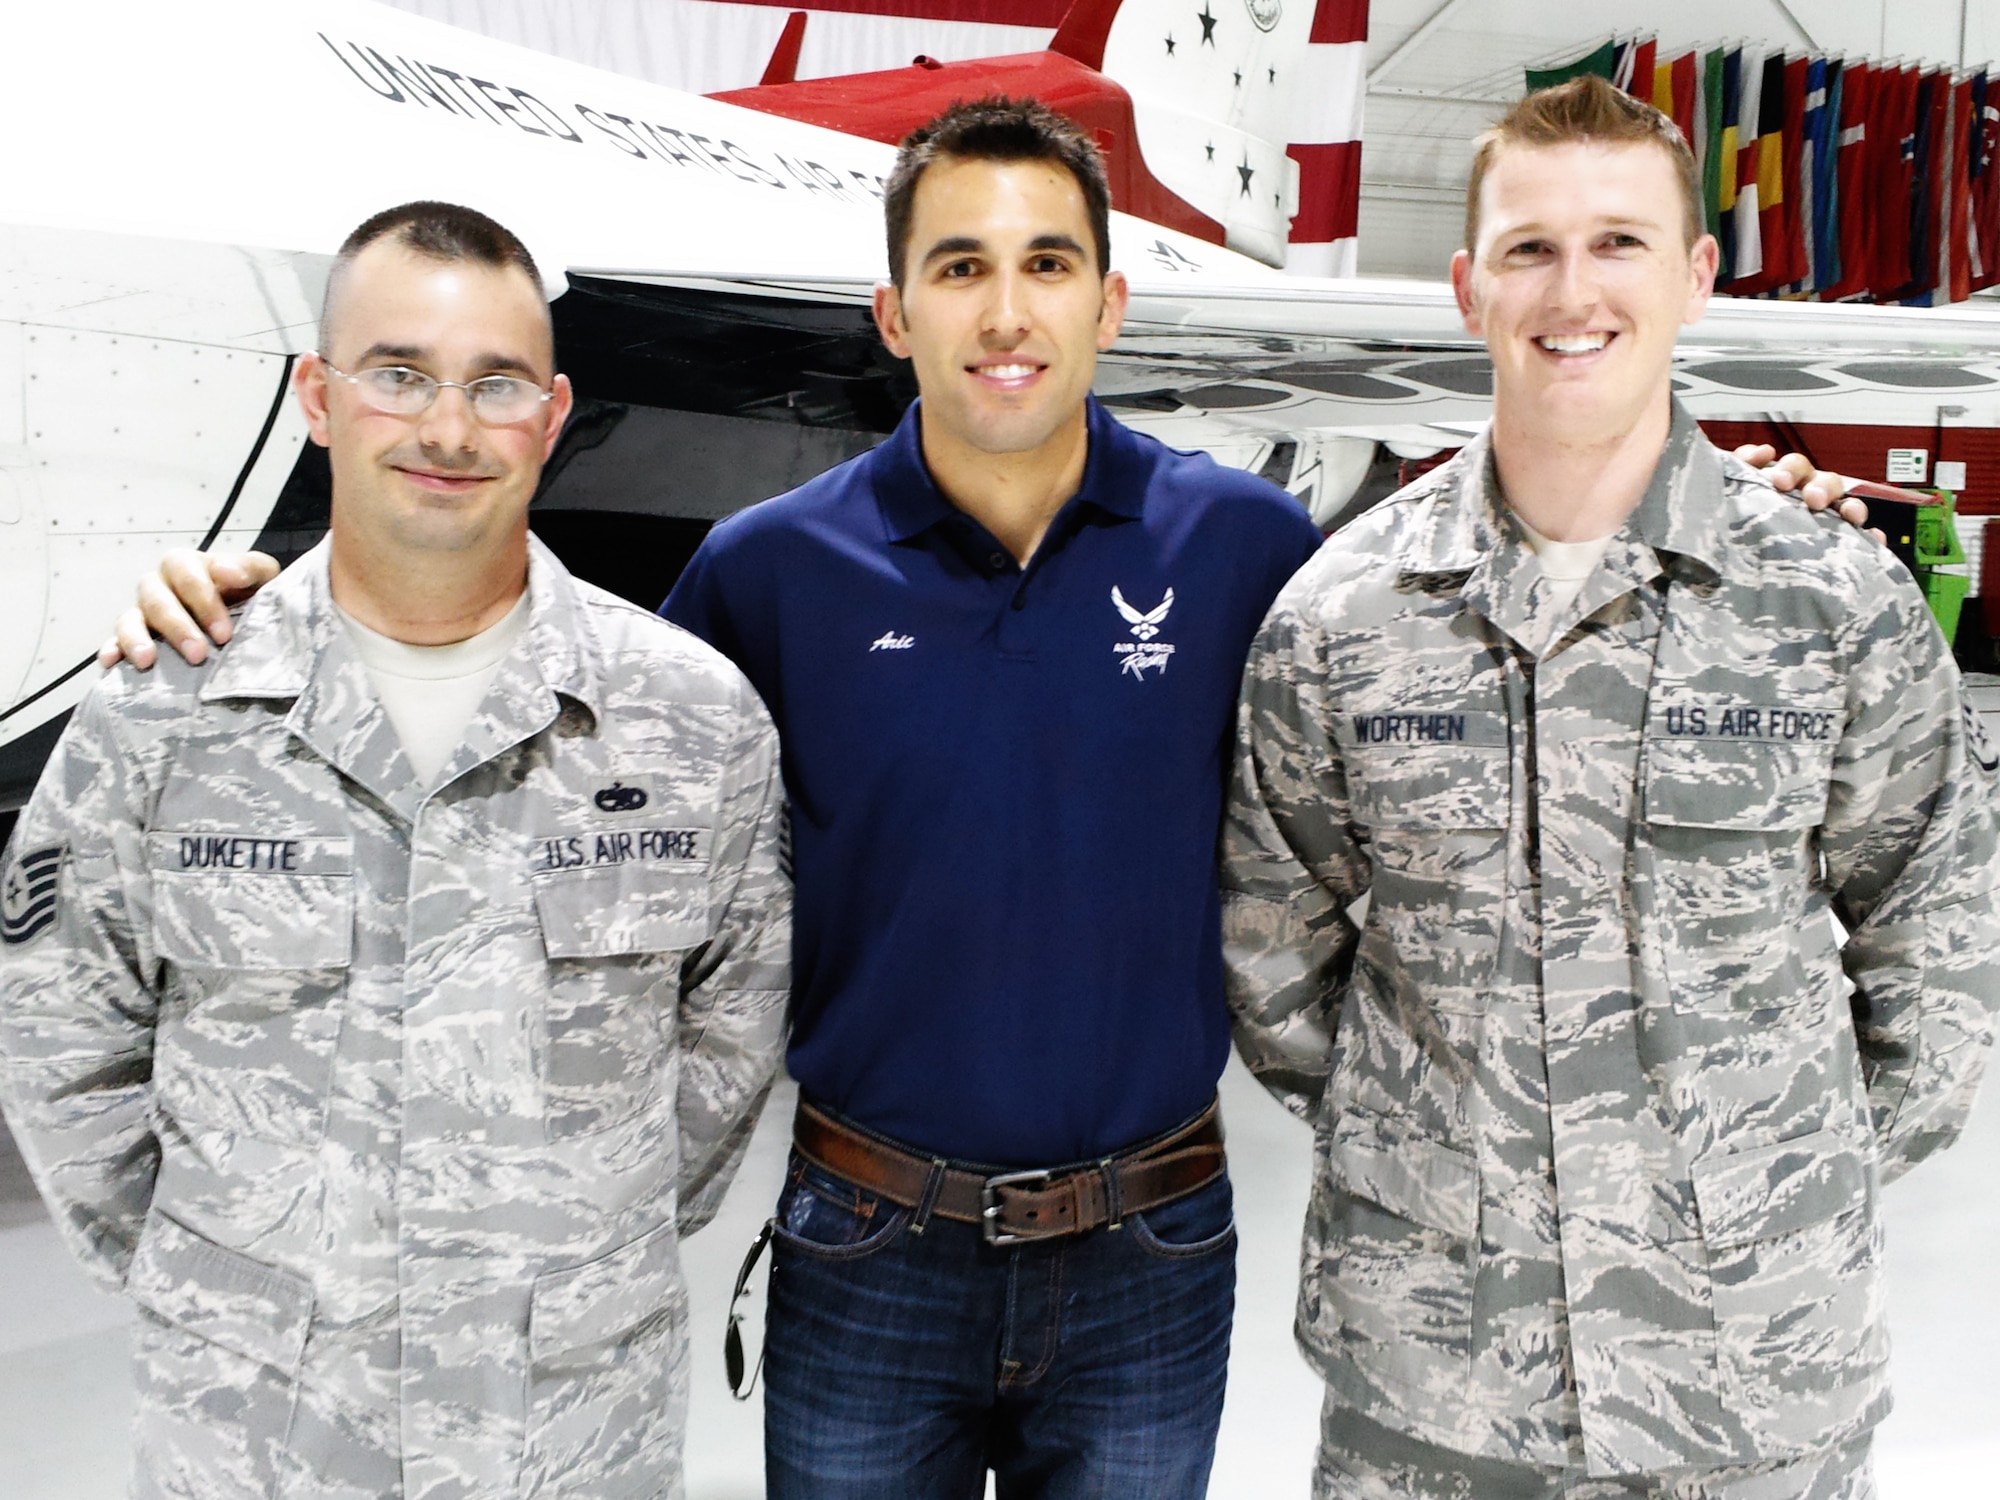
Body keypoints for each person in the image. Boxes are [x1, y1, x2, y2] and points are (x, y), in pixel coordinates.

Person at [102, 102, 1864, 1499]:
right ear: (894, 311)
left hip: (1154, 1240)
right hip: (870, 1236)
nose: (1004, 311)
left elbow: (1409, 727)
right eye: (957, 267)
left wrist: (1755, 502)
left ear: (1111, 301)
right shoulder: (766, 572)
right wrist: (249, 603)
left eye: (1045, 266)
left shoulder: (1244, 551)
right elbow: (604, 814)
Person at [1222, 76, 2000, 1500]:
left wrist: (1763, 1180)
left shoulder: (1829, 604)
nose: (1572, 290)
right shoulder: (1342, 618)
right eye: (1529, 247)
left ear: (1698, 275)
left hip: (1755, 1381)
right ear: (1468, 286)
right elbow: (1276, 957)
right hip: (1439, 1383)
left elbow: (1941, 946)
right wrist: (1444, 1156)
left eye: (1621, 242)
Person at [0, 202, 789, 1500]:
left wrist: (573, 1247)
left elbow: (728, 1039)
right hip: (256, 1433)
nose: (446, 427)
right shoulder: (164, 710)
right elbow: (62, 1043)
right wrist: (227, 1270)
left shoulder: (688, 719)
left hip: (571, 1431)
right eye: (399, 374)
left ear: (553, 412)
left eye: (496, 384)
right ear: (316, 395)